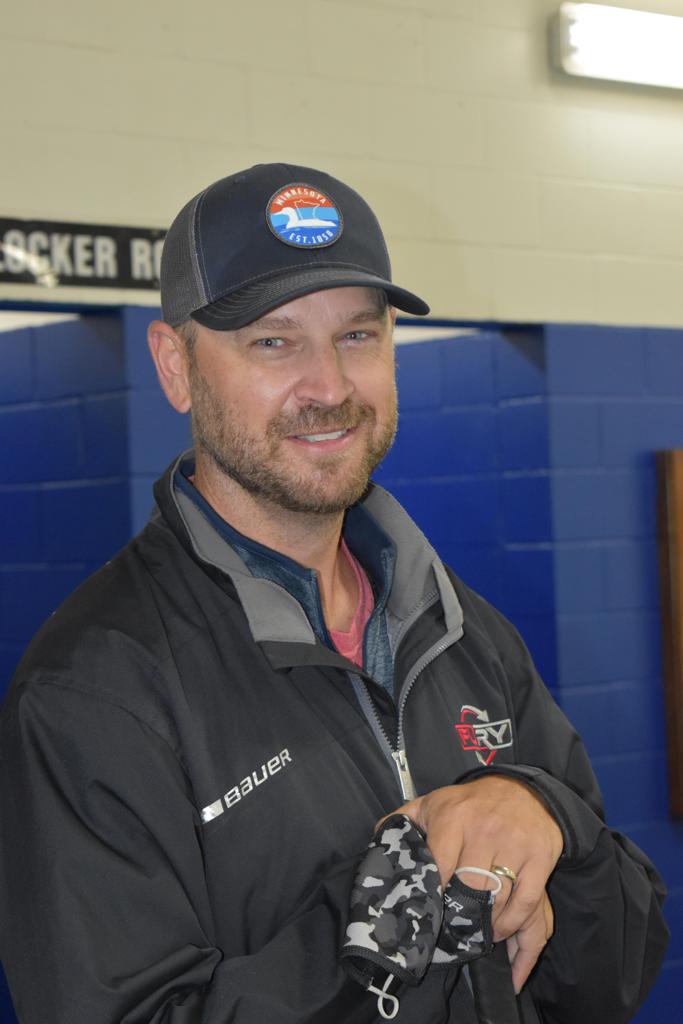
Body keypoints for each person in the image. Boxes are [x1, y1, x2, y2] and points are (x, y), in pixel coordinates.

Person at [0, 163, 668, 1024]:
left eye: (357, 335)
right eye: (273, 343)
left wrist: (545, 817)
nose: (329, 387)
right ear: (175, 366)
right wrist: (392, 905)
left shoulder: (458, 627)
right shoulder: (95, 691)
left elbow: (606, 981)